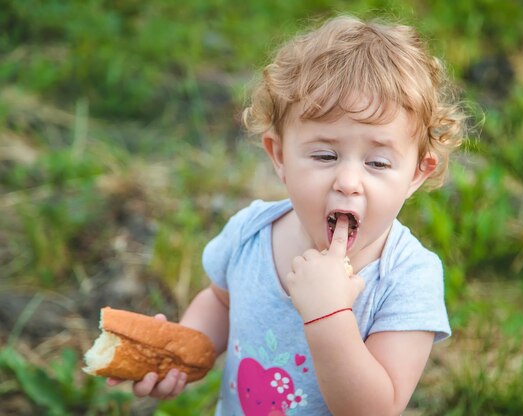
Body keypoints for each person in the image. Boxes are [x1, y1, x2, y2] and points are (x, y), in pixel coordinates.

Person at [108, 14, 465, 415]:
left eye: (378, 163)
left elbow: (376, 409)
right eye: (325, 155)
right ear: (279, 156)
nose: (348, 181)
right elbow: (222, 302)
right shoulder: (251, 233)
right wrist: (180, 349)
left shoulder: (407, 277)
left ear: (418, 173)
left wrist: (329, 315)